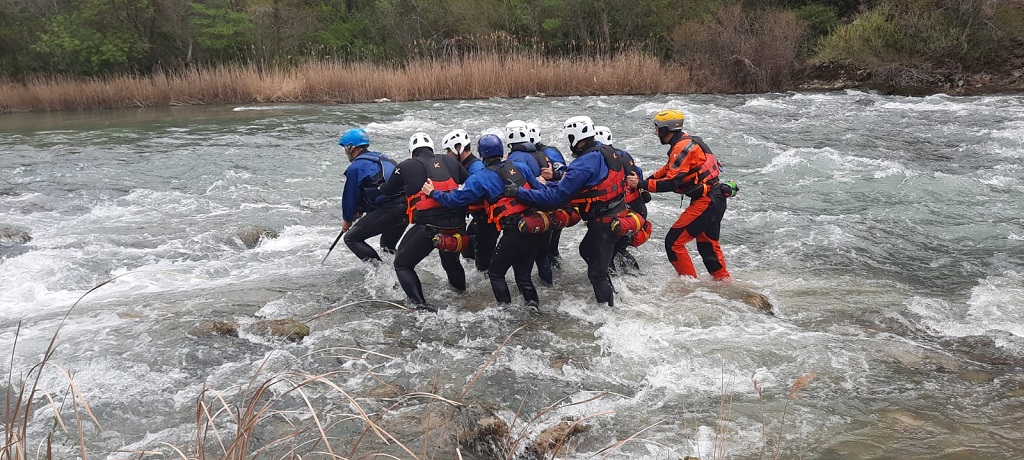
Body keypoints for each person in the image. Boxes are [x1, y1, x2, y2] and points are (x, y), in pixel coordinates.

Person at [507, 115, 633, 307]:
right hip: (617, 211)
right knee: (586, 250)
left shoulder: (583, 163)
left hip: (604, 222)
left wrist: (520, 192)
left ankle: (609, 311)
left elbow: (554, 199)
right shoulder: (607, 151)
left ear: (576, 137)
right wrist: (551, 181)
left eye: (570, 138)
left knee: (596, 274)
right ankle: (615, 294)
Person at [422, 133, 548, 311]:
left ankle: (505, 313)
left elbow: (455, 200)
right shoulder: (520, 167)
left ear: (482, 154)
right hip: (534, 227)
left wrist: (433, 192)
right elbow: (540, 190)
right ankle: (533, 310)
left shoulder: (481, 177)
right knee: (523, 277)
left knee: (495, 273)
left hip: (514, 231)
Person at [626, 109, 732, 280]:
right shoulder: (688, 141)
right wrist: (647, 181)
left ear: (665, 129)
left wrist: (640, 184)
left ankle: (689, 286)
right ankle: (724, 282)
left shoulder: (681, 148)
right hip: (716, 197)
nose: (655, 133)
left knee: (674, 243)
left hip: (707, 201)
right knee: (707, 244)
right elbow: (669, 169)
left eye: (657, 128)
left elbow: (671, 183)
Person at [378, 132, 471, 310]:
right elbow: (469, 183)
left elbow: (388, 190)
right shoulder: (450, 160)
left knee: (402, 265)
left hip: (429, 228)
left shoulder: (406, 165)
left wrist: (380, 187)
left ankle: (420, 306)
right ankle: (462, 297)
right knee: (451, 262)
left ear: (412, 151)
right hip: (458, 225)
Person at [337, 128, 408, 263]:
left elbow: (350, 197)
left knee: (351, 238)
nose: (345, 151)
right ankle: (398, 270)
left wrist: (347, 219)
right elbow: (374, 187)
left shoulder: (355, 168)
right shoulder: (381, 157)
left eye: (345, 147)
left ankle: (379, 271)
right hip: (406, 208)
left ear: (351, 147)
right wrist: (360, 210)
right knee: (387, 247)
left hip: (391, 210)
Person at [505, 120, 558, 285]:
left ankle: (527, 293)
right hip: (546, 212)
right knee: (542, 255)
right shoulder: (541, 155)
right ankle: (549, 288)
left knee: (521, 264)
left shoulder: (513, 159)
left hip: (526, 215)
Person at [594, 125, 649, 274]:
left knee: (610, 251)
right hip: (637, 209)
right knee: (619, 248)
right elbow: (638, 174)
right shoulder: (624, 155)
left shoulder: (602, 161)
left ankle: (615, 281)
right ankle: (632, 278)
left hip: (622, 213)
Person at [441, 129, 489, 268]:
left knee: (482, 261)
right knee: (467, 251)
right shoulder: (464, 165)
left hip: (486, 219)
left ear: (458, 147)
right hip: (478, 218)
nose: (448, 154)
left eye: (448, 150)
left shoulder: (476, 167)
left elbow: (475, 193)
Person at [528, 122, 568, 273]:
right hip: (551, 202)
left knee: (547, 250)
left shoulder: (549, 152)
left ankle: (554, 278)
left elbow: (565, 175)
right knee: (548, 249)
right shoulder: (535, 153)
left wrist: (554, 175)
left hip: (555, 204)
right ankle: (559, 276)